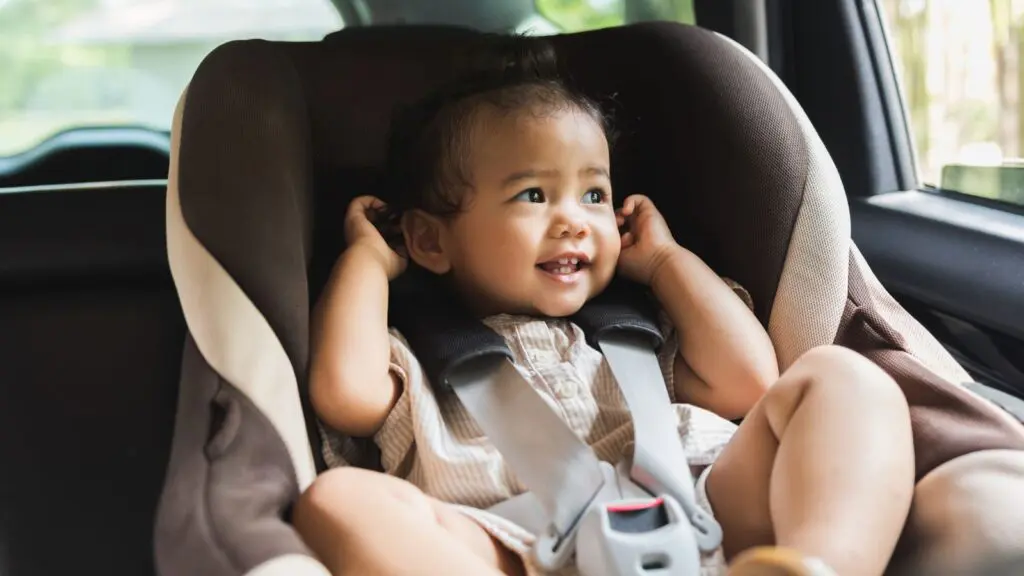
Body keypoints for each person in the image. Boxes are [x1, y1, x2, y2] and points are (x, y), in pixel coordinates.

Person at [294, 33, 915, 576]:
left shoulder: (638, 331)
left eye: (594, 194)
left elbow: (751, 380)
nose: (574, 221)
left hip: (702, 518)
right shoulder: (411, 359)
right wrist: (369, 260)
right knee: (337, 502)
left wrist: (665, 261)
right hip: (513, 549)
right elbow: (345, 394)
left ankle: (815, 563)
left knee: (841, 376)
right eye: (533, 195)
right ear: (431, 240)